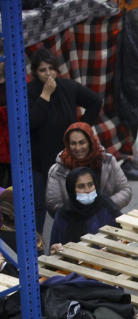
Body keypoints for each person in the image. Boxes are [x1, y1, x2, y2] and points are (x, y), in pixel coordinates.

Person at [27, 48, 101, 230]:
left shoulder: (68, 87)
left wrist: (81, 130)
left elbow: (95, 101)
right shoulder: (29, 91)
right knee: (39, 205)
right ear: (35, 73)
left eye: (51, 69)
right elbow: (31, 121)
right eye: (42, 70)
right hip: (39, 159)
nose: (48, 73)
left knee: (72, 200)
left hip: (67, 157)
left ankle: (76, 237)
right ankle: (36, 245)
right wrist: (45, 96)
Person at [45, 121, 130, 216]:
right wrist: (78, 214)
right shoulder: (58, 170)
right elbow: (53, 204)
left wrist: (104, 207)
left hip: (106, 216)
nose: (78, 148)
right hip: (74, 224)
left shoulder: (107, 161)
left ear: (90, 142)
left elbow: (125, 190)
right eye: (73, 143)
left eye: (82, 142)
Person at [48, 167, 120, 252]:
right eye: (81, 186)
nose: (87, 190)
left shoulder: (105, 204)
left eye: (90, 185)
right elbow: (54, 248)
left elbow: (122, 229)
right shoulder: (64, 215)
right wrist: (55, 248)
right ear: (72, 190)